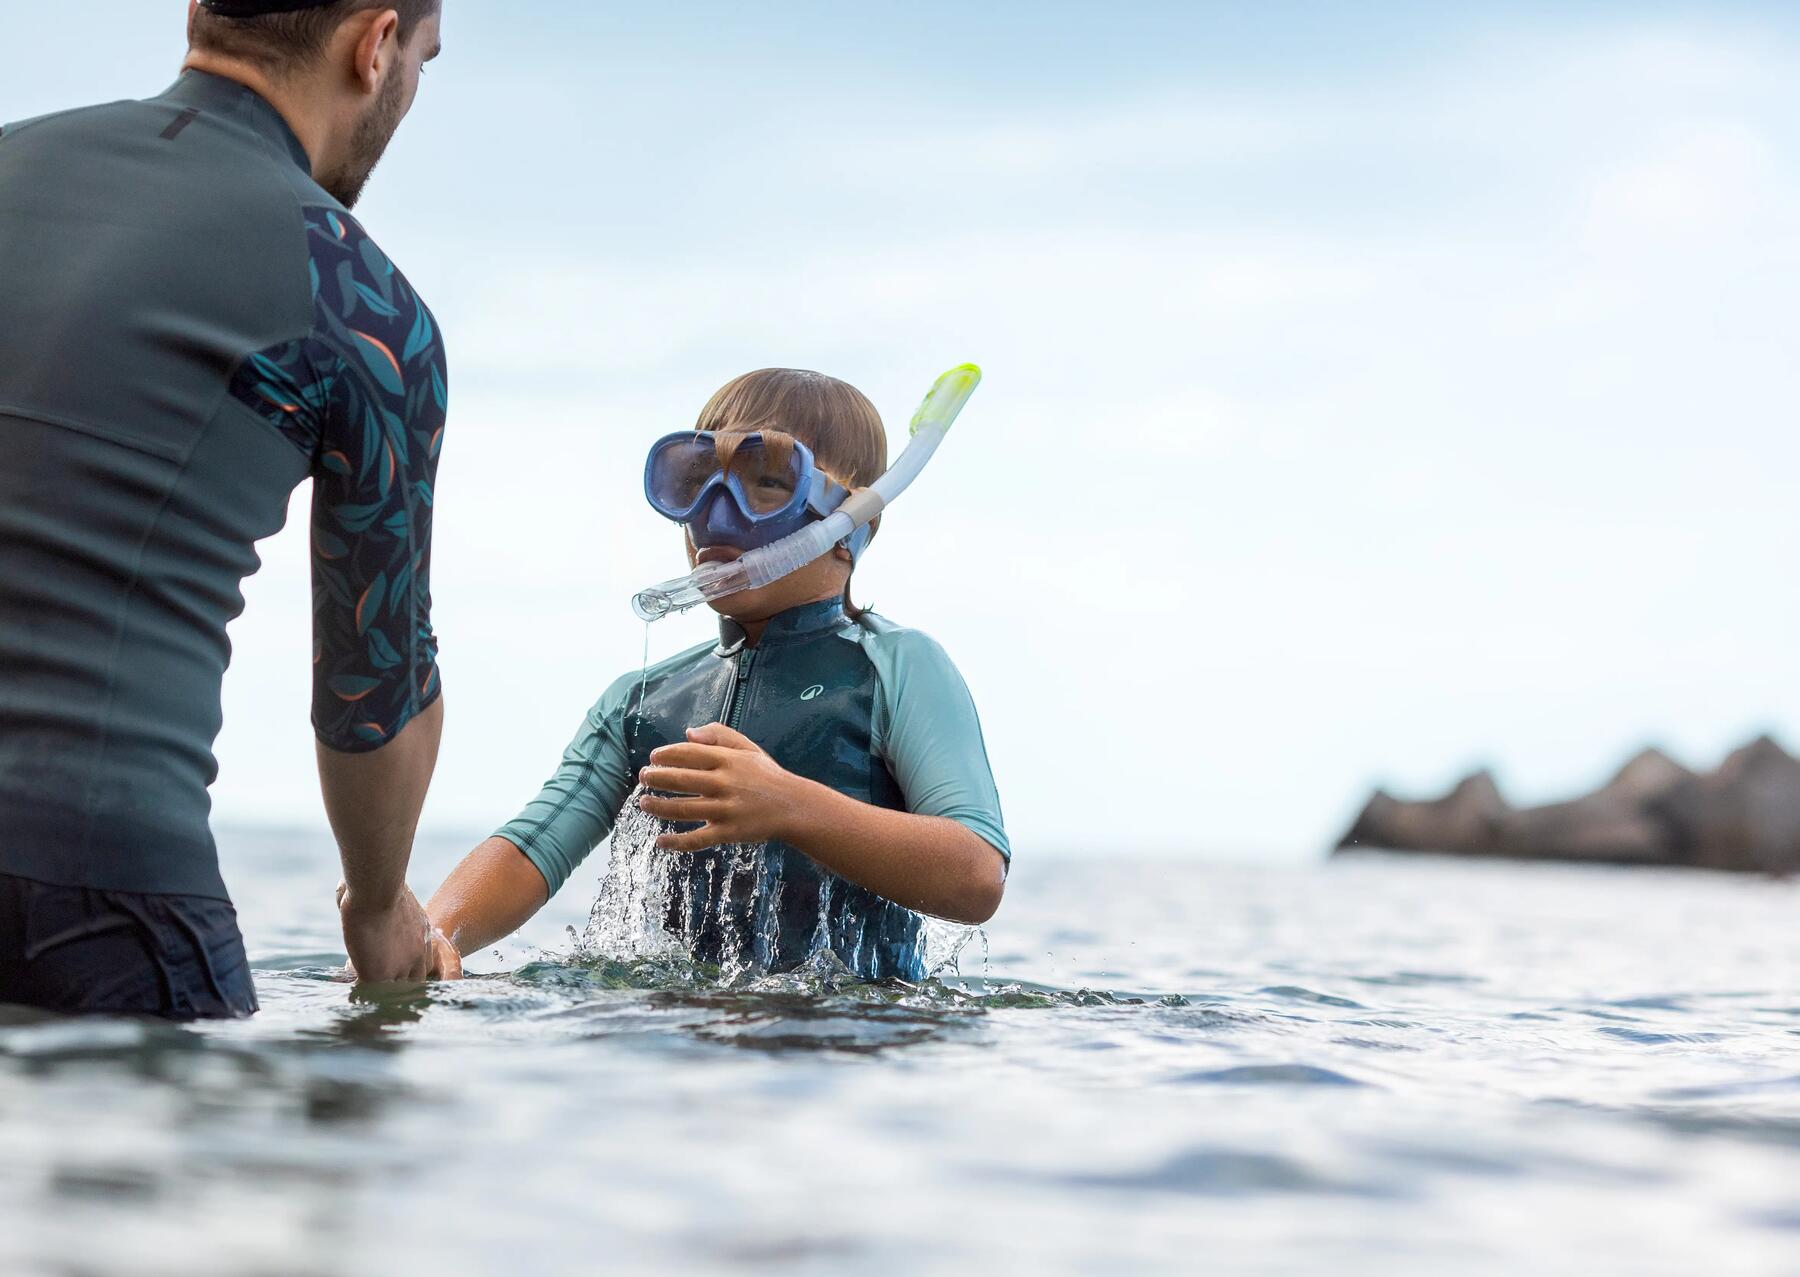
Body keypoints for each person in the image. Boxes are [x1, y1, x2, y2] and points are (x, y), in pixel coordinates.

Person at [0, 0, 450, 1019]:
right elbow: (373, 686)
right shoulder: (362, 302)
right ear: (374, 45)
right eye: (425, 60)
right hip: (100, 892)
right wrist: (378, 905)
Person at [424, 369, 1009, 981]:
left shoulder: (899, 667)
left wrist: (792, 806)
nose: (715, 515)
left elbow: (975, 877)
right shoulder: (642, 700)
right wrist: (433, 937)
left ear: (849, 525)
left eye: (767, 485)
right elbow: (533, 848)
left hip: (852, 1048)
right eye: (697, 483)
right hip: (683, 1047)